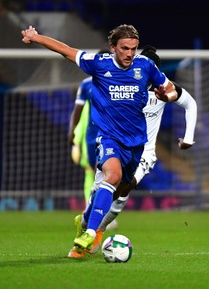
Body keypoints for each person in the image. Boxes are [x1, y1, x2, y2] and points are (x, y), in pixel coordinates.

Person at [21, 24, 178, 255]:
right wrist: (36, 37)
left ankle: (85, 220)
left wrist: (168, 95)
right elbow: (65, 50)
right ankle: (90, 234)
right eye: (125, 48)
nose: (130, 54)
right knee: (111, 176)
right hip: (109, 138)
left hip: (136, 143)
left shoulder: (145, 66)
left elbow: (170, 89)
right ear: (113, 47)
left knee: (118, 189)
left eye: (134, 49)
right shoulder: (99, 64)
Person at [67, 45, 197, 258]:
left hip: (145, 151)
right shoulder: (120, 84)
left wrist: (189, 137)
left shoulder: (163, 89)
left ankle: (93, 232)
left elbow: (190, 103)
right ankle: (86, 222)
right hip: (117, 143)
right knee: (104, 188)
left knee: (122, 188)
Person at [68, 49, 111, 205]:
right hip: (91, 137)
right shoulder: (86, 85)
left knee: (109, 174)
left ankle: (102, 211)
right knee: (94, 173)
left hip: (111, 135)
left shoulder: (118, 81)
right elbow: (77, 110)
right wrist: (72, 130)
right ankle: (92, 208)